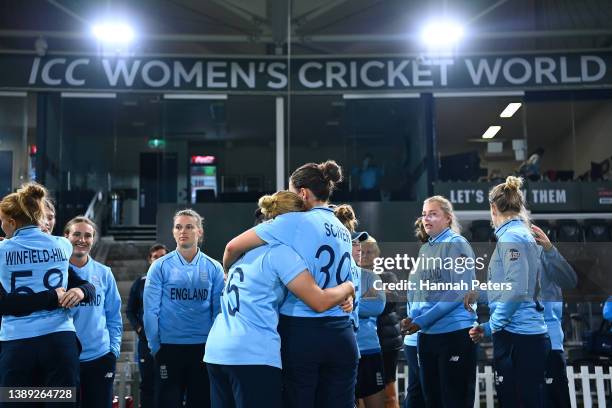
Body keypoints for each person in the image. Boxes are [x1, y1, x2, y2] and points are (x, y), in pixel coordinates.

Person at [223, 160, 359, 408]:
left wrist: (227, 270)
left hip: (302, 331)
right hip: (342, 331)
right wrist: (348, 289)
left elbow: (232, 246)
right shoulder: (342, 226)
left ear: (303, 193)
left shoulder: (294, 221)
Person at [469, 176, 550, 408]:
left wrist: (489, 327)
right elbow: (506, 288)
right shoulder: (517, 235)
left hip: (519, 338)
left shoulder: (512, 237)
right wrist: (478, 293)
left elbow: (515, 291)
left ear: (493, 208)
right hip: (524, 336)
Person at [0, 182, 80, 398]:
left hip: (18, 342)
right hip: (59, 340)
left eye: (2, 222)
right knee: (58, 403)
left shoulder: (2, 250)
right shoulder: (63, 244)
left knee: (18, 402)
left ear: (11, 222)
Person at [144, 209, 224, 408]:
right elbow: (150, 311)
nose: (183, 231)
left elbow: (218, 312)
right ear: (173, 232)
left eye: (189, 226)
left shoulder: (214, 267)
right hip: (169, 349)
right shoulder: (159, 267)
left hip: (203, 349)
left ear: (199, 231)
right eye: (178, 227)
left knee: (201, 402)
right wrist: (156, 347)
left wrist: (214, 345)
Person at [402, 196, 477, 408]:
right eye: (424, 214)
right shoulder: (426, 249)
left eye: (433, 214)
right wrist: (412, 317)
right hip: (426, 336)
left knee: (453, 401)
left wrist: (422, 320)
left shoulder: (457, 244)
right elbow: (425, 293)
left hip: (453, 334)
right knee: (432, 402)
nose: (426, 218)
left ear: (447, 218)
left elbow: (458, 290)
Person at [64, 216, 123, 408]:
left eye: (87, 235)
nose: (82, 240)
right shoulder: (56, 273)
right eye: (77, 234)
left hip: (99, 358)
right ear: (66, 237)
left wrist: (113, 351)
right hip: (64, 360)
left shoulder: (104, 273)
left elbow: (114, 316)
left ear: (94, 239)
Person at [335, 205, 386, 408]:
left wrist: (348, 302)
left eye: (359, 244)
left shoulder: (369, 276)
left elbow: (377, 306)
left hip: (369, 349)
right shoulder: (332, 273)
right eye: (354, 243)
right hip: (343, 349)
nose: (359, 248)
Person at [531, 224, 577, 408]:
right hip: (518, 342)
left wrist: (549, 249)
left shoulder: (544, 254)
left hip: (549, 343)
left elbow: (570, 280)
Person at [360, 237, 404, 408]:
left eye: (369, 252)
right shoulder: (350, 277)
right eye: (362, 251)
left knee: (389, 394)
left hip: (386, 343)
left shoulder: (387, 276)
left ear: (376, 254)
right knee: (360, 395)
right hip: (362, 343)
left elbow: (388, 303)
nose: (365, 255)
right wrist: (374, 293)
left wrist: (364, 297)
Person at [126, 243, 168, 408]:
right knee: (148, 383)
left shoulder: (175, 281)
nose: (158, 260)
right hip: (146, 342)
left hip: (169, 341)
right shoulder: (140, 282)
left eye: (162, 256)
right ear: (149, 260)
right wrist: (139, 329)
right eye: (155, 257)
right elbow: (130, 310)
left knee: (168, 383)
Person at [403, 218, 428, 408]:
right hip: (419, 337)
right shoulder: (427, 263)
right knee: (425, 393)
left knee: (416, 393)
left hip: (415, 339)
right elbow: (420, 306)